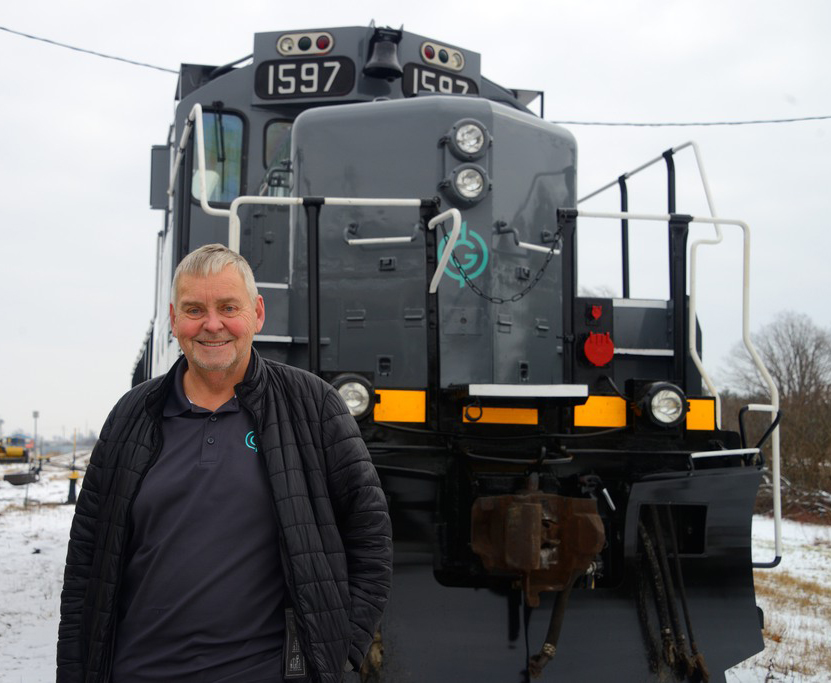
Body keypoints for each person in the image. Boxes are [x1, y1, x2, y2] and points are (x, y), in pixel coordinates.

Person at [57, 244, 392, 683]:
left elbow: (370, 537)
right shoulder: (131, 417)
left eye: (228, 307)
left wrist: (337, 652)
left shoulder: (314, 407)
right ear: (175, 321)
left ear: (256, 313)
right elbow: (86, 561)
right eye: (194, 309)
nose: (212, 324)